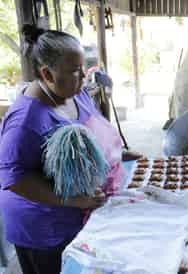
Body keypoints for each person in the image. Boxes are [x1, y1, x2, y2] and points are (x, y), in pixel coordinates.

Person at [0, 25, 142, 274]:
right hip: (44, 228)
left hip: (81, 212)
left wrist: (118, 155)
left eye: (83, 68)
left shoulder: (75, 94)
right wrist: (75, 200)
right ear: (47, 74)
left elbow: (91, 137)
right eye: (76, 71)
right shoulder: (26, 121)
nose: (84, 76)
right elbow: (14, 178)